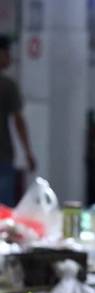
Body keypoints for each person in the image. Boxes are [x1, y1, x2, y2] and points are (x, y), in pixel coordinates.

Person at [0, 35, 36, 205]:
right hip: (3, 157)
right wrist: (28, 153)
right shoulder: (7, 86)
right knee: (3, 212)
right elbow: (18, 122)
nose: (10, 58)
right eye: (7, 53)